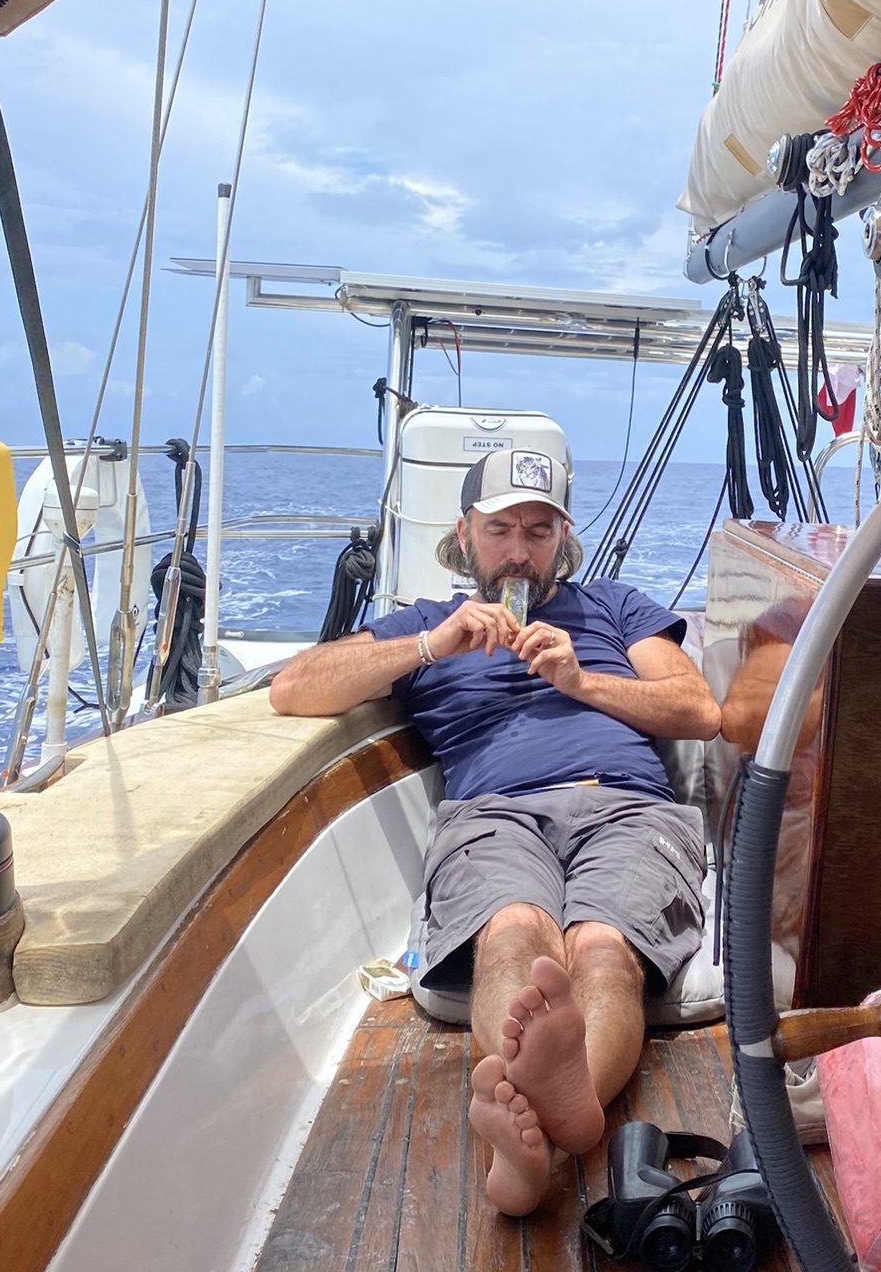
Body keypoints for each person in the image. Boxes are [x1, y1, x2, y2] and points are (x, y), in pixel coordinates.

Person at [269, 447, 721, 1216]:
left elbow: (699, 710)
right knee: (512, 934)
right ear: (464, 534)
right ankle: (563, 1120)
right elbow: (292, 688)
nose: (519, 551)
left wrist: (583, 681)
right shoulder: (425, 623)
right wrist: (431, 645)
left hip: (625, 807)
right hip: (493, 813)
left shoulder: (614, 607)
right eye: (500, 529)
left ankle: (546, 1128)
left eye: (539, 532)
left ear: (563, 538)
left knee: (603, 950)